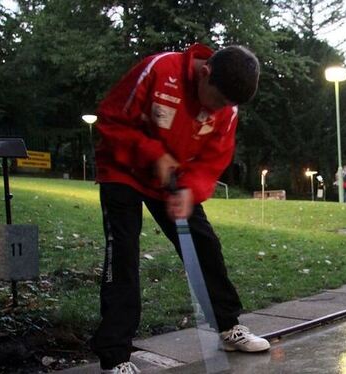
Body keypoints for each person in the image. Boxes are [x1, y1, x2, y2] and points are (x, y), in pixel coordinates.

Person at [91, 43, 269, 374]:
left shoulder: (226, 109)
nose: (217, 111)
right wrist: (152, 153)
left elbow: (214, 158)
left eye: (225, 106)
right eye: (215, 101)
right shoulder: (159, 70)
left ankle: (228, 326)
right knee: (124, 252)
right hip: (122, 169)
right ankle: (115, 356)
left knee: (205, 243)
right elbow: (110, 122)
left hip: (172, 178)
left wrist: (190, 189)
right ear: (205, 73)